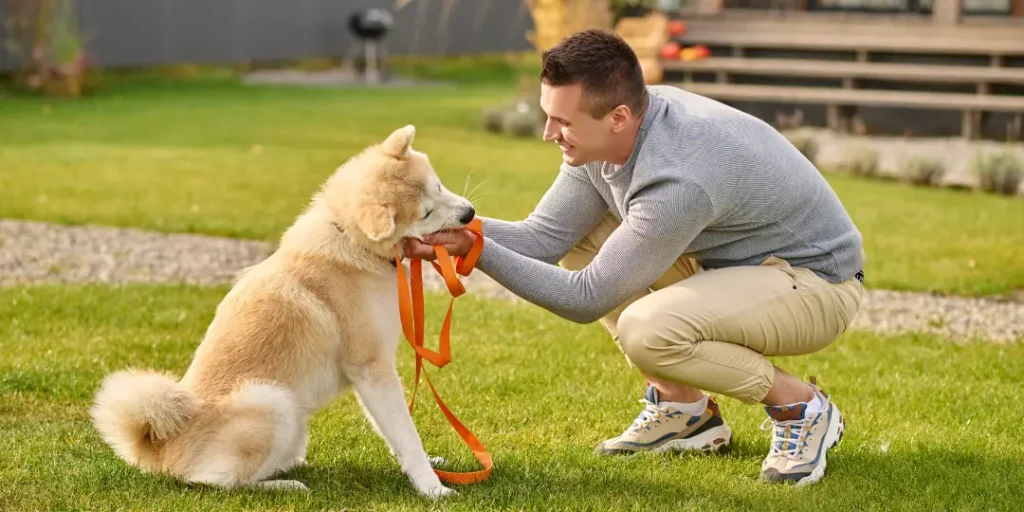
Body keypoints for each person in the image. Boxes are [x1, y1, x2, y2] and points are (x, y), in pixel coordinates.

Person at [403, 28, 864, 486]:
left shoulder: (678, 177)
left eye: (562, 121)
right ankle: (685, 412)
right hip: (738, 268)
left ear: (619, 116)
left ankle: (803, 408)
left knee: (649, 331)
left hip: (816, 285)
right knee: (589, 235)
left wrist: (474, 250)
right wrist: (438, 225)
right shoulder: (610, 137)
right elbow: (543, 238)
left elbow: (585, 298)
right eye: (549, 116)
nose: (548, 134)